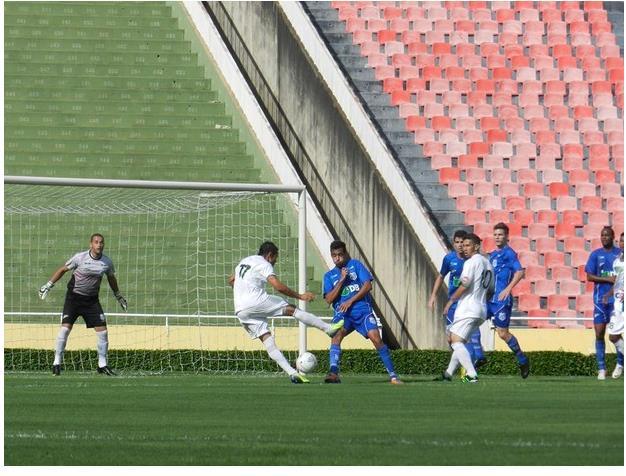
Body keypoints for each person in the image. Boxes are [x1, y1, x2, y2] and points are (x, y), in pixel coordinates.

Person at [228, 241, 343, 384]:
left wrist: (242, 292)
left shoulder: (245, 261)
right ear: (270, 255)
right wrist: (301, 296)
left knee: (267, 339)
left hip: (240, 309)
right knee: (291, 309)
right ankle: (328, 329)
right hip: (255, 301)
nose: (274, 262)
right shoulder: (264, 263)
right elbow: (278, 287)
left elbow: (232, 280)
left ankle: (293, 373)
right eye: (275, 259)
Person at [39, 233, 127, 376]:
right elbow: (62, 270)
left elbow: (111, 278)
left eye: (101, 242)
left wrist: (118, 295)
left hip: (91, 301)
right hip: (73, 299)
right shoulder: (80, 257)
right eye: (96, 242)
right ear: (91, 244)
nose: (99, 245)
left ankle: (102, 365)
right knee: (65, 330)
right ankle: (56, 362)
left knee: (103, 332)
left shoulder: (107, 262)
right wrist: (48, 285)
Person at [322, 240, 402, 384]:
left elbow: (367, 286)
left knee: (376, 338)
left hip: (362, 311)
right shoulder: (329, 276)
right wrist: (341, 281)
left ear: (345, 253)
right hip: (343, 315)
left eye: (340, 254)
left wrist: (350, 301)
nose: (337, 258)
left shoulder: (356, 265)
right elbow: (328, 299)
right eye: (334, 255)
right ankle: (333, 373)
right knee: (336, 336)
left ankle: (393, 376)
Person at [438, 233, 494, 383]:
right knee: (458, 341)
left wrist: (451, 301)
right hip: (481, 310)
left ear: (476, 246)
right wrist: (481, 301)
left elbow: (464, 285)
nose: (464, 247)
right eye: (464, 245)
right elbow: (491, 290)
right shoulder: (488, 264)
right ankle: (448, 374)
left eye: (468, 245)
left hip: (468, 308)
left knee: (454, 341)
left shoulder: (470, 262)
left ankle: (471, 373)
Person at [429, 229, 486, 368]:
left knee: (470, 334)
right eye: (457, 242)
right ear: (453, 243)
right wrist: (433, 296)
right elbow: (441, 276)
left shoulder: (472, 260)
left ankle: (475, 362)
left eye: (463, 242)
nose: (460, 245)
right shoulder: (449, 259)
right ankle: (464, 367)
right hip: (453, 304)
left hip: (466, 302)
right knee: (451, 338)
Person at [487, 222, 530, 378]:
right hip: (488, 299)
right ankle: (477, 358)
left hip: (501, 300)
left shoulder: (509, 253)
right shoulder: (492, 255)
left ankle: (523, 360)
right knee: (472, 320)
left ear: (506, 236)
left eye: (500, 234)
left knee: (502, 334)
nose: (497, 237)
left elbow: (519, 272)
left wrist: (508, 289)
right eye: (495, 234)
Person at [598, 231, 624, 379]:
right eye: (621, 241)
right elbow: (617, 281)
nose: (622, 243)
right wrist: (608, 294)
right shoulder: (617, 261)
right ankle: (621, 363)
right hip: (619, 303)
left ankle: (620, 364)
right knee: (613, 336)